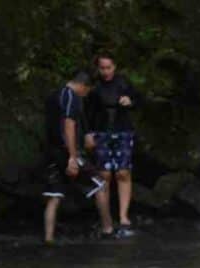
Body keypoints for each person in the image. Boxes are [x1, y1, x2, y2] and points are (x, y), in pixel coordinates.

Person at [43, 70, 114, 244]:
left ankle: (48, 239)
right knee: (101, 184)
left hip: (51, 152)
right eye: (87, 91)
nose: (86, 95)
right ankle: (108, 229)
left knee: (54, 195)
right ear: (83, 86)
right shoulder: (71, 96)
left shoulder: (53, 95)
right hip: (66, 152)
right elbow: (69, 124)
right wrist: (73, 157)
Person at [87, 51, 142, 234]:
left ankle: (124, 216)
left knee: (123, 172)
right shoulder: (94, 87)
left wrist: (130, 101)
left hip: (123, 130)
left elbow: (139, 100)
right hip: (102, 131)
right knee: (104, 175)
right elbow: (87, 113)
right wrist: (88, 134)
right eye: (102, 68)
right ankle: (106, 217)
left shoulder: (123, 82)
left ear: (114, 67)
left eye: (108, 67)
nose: (105, 71)